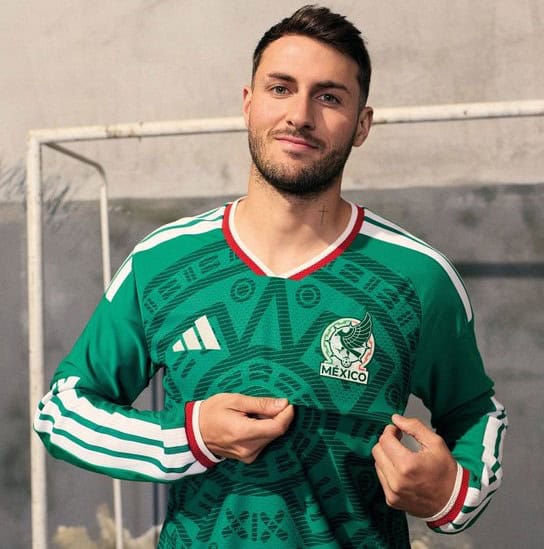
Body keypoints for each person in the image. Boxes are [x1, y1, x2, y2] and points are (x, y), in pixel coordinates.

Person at [34, 5, 507, 548]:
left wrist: (452, 493)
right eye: (280, 89)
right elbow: (63, 412)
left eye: (329, 97)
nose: (299, 115)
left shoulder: (418, 276)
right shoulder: (162, 261)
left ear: (362, 125)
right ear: (248, 103)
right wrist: (190, 436)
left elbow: (476, 410)